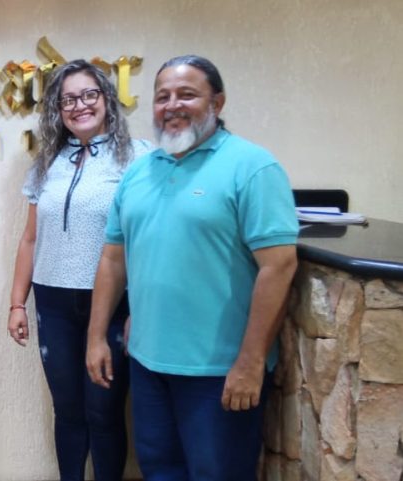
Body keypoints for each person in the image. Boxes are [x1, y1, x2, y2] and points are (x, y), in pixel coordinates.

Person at [86, 55, 299, 480]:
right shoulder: (139, 172)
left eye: (187, 94)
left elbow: (279, 267)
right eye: (162, 96)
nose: (172, 105)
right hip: (147, 364)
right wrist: (95, 338)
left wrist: (251, 362)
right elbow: (113, 259)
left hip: (218, 373)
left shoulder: (253, 167)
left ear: (217, 103)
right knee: (159, 471)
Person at [6, 59, 151, 481]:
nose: (80, 106)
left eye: (89, 95)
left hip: (112, 304)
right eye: (68, 99)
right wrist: (17, 303)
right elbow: (30, 238)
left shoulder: (138, 158)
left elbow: (148, 239)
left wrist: (142, 308)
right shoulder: (47, 163)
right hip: (53, 304)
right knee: (68, 410)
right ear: (58, 109)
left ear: (106, 99)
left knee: (104, 411)